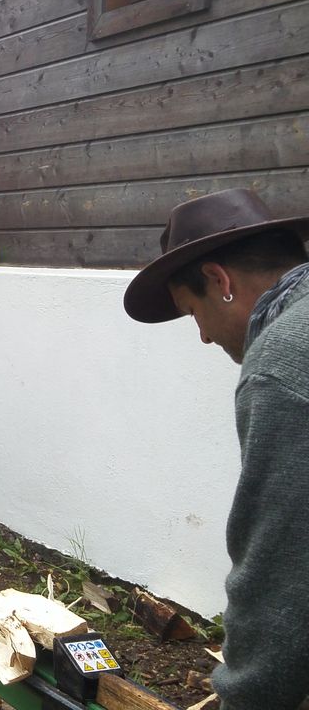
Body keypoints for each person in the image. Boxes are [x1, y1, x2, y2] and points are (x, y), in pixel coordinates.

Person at [123, 188, 309, 710]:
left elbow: (282, 567)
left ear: (219, 281)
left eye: (193, 313)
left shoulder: (283, 361)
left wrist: (247, 697)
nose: (204, 337)